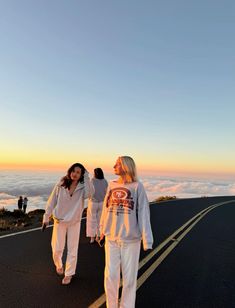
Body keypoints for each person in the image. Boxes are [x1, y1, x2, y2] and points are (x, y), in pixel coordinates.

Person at [99, 156, 153, 308]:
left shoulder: (137, 187)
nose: (114, 166)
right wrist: (102, 230)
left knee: (129, 278)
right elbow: (105, 208)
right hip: (111, 238)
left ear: (126, 166)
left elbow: (143, 212)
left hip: (130, 240)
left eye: (117, 164)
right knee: (111, 276)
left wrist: (146, 239)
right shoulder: (111, 185)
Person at [42, 163, 94, 285]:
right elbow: (51, 201)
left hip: (74, 222)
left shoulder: (83, 187)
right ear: (70, 171)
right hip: (59, 221)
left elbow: (90, 194)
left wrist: (87, 176)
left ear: (82, 175)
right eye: (73, 171)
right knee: (57, 248)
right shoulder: (61, 184)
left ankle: (69, 273)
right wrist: (46, 217)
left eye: (78, 172)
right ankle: (59, 264)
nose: (75, 174)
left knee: (72, 249)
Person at [86, 168, 108, 243]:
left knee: (92, 221)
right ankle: (98, 236)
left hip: (93, 203)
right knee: (100, 221)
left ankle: (92, 237)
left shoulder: (92, 180)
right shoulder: (105, 181)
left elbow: (89, 192)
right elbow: (107, 192)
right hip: (102, 203)